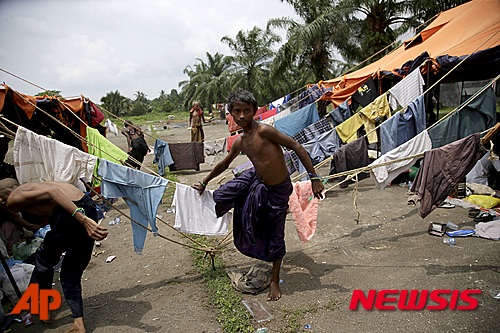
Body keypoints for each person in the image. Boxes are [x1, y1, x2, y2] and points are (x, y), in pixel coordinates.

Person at [192, 88, 324, 301]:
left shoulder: (264, 131)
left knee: (274, 232)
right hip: (256, 179)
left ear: (254, 111)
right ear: (231, 114)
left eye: (246, 110)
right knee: (224, 194)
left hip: (278, 190)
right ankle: (229, 209)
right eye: (237, 111)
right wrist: (205, 182)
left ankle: (274, 280)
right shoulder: (240, 141)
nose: (242, 115)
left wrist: (314, 177)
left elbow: (296, 146)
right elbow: (224, 164)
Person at [0, 179, 108, 333]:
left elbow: (54, 193)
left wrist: (83, 220)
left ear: (3, 197)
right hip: (86, 205)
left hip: (71, 215)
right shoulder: (35, 184)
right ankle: (78, 321)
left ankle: (45, 310)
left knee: (43, 261)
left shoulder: (12, 198)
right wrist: (85, 217)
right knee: (71, 271)